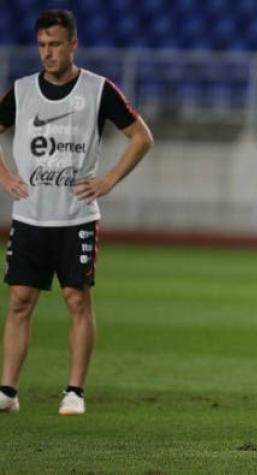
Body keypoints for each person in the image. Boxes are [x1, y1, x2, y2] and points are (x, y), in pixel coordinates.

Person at [0, 10, 153, 415]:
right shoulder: (21, 91)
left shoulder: (99, 90)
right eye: (41, 45)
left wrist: (109, 180)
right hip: (30, 215)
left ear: (73, 45)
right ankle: (7, 391)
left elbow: (142, 136)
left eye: (55, 45)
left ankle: (74, 391)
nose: (47, 53)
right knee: (19, 299)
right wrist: (4, 175)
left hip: (76, 217)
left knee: (76, 299)